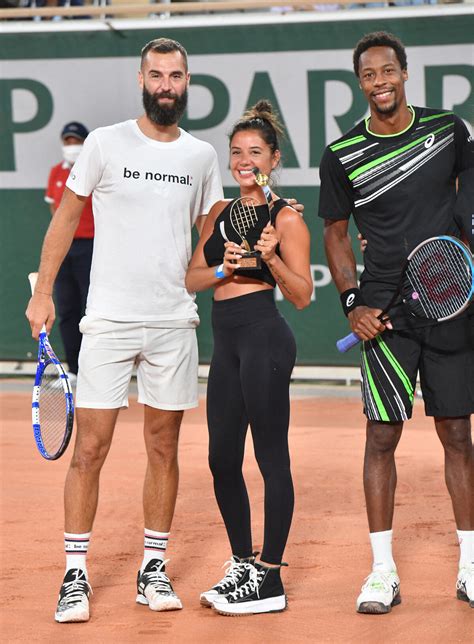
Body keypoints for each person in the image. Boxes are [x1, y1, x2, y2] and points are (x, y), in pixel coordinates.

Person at [25, 37, 224, 623]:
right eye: (157, 75)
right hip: (108, 320)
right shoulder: (104, 144)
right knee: (90, 448)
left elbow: (211, 228)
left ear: (188, 82)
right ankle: (76, 575)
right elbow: (66, 217)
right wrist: (42, 292)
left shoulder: (201, 157)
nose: (167, 84)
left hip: (172, 322)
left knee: (164, 446)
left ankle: (152, 569)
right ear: (142, 79)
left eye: (177, 76)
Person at [319, 31, 473, 614]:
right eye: (369, 75)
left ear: (406, 73)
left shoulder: (447, 132)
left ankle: (470, 565)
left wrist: (466, 244)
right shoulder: (343, 155)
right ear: (359, 83)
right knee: (381, 436)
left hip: (448, 297)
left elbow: (470, 193)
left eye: (389, 71)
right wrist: (352, 301)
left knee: (457, 433)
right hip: (383, 308)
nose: (380, 82)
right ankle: (382, 571)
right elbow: (336, 230)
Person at [185, 100, 313, 616]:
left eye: (254, 153)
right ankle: (242, 562)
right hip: (226, 343)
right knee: (221, 458)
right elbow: (193, 278)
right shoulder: (218, 214)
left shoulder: (286, 217)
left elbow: (303, 295)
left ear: (273, 158)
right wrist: (224, 268)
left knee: (270, 458)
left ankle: (271, 577)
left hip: (265, 337)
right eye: (236, 152)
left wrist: (271, 257)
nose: (243, 161)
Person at [45, 121, 94, 383]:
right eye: (68, 142)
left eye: (77, 141)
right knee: (66, 309)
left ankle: (94, 368)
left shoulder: (93, 171)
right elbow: (57, 214)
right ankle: (74, 368)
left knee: (92, 310)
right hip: (65, 249)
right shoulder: (56, 172)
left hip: (92, 246)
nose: (72, 146)